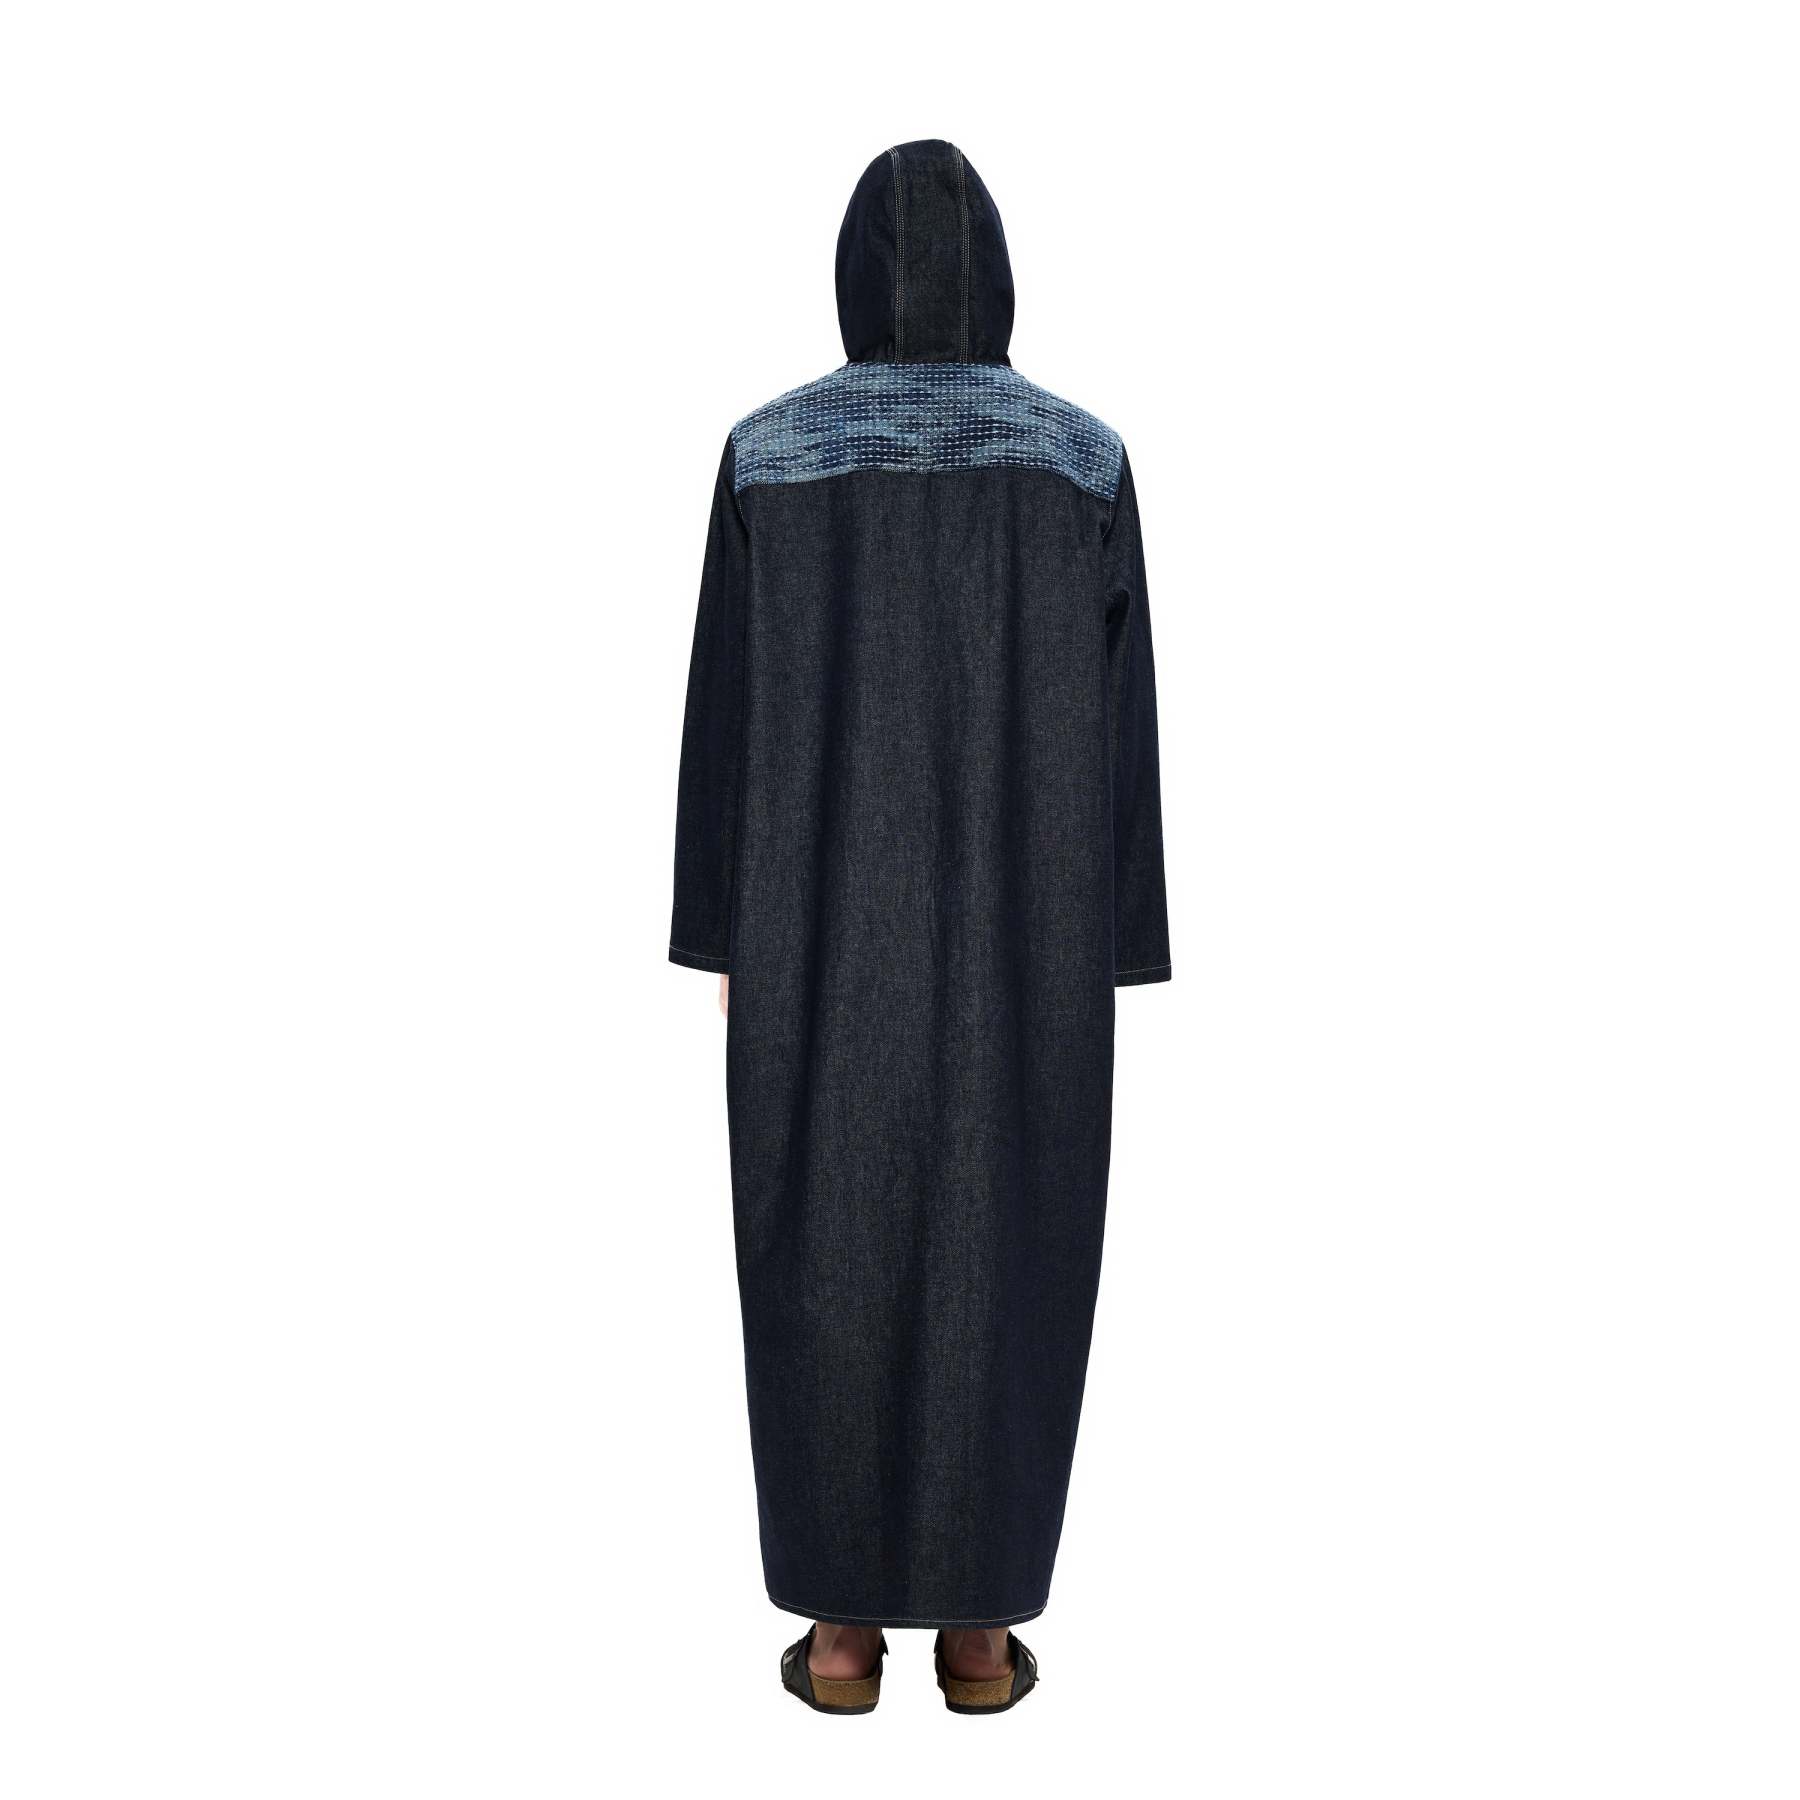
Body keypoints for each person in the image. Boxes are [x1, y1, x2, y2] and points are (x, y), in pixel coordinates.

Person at [670, 140, 1170, 1715]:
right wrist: (1115, 948)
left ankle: (840, 1639)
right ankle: (977, 1635)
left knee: (822, 1238)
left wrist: (722, 938)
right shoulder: (1083, 464)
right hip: (1032, 936)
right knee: (1012, 1243)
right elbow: (1123, 735)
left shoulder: (769, 456)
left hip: (812, 920)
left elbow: (724, 719)